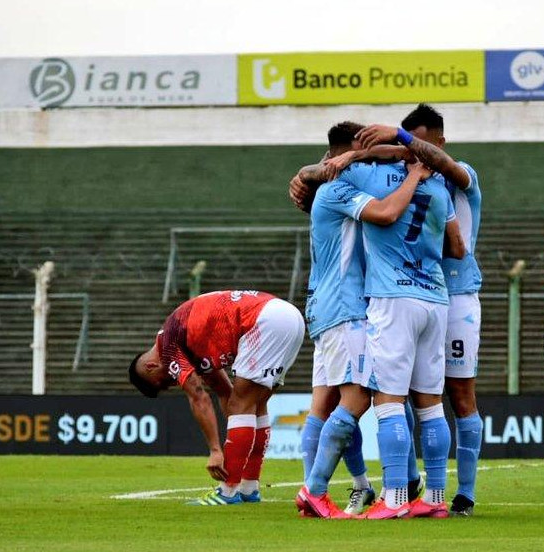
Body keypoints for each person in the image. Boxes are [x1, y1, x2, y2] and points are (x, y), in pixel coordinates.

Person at [295, 124, 435, 519]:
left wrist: (363, 157)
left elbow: (394, 154)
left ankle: (387, 484)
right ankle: (316, 490)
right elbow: (388, 213)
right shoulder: (338, 188)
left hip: (330, 306)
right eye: (368, 145)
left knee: (325, 403)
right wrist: (413, 177)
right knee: (360, 397)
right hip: (346, 307)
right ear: (355, 147)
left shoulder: (338, 178)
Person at [354, 104, 484, 516]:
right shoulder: (414, 175)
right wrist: (391, 145)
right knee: (413, 395)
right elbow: (405, 157)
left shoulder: (459, 173)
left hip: (457, 295)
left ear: (440, 141)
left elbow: (435, 161)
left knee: (458, 395)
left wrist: (400, 140)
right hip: (429, 293)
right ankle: (414, 485)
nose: (416, 151)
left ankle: (464, 492)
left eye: (423, 142)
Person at [128, 290, 305, 504]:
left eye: (164, 381)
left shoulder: (168, 346)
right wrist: (235, 429)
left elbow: (198, 396)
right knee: (255, 404)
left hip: (264, 321)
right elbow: (223, 391)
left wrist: (215, 450)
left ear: (151, 366)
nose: (173, 382)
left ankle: (227, 491)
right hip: (288, 317)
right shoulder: (190, 341)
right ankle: (249, 488)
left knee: (242, 403)